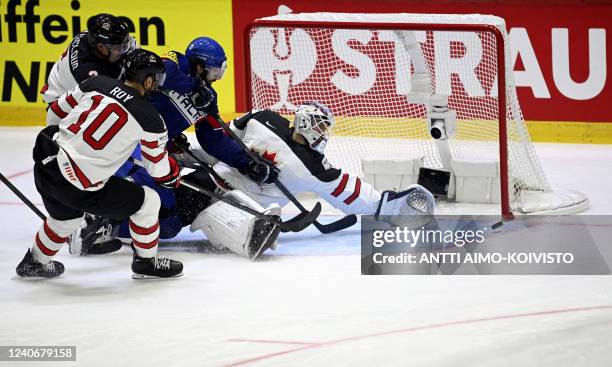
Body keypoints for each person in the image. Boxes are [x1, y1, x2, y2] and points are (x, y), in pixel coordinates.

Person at [16, 49, 183, 279]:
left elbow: (54, 114)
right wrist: (173, 173)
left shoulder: (96, 82)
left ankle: (33, 263)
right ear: (148, 80)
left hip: (47, 163)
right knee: (148, 201)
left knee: (66, 219)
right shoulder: (151, 119)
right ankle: (146, 263)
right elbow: (158, 169)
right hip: (77, 186)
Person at [203, 102, 435, 231]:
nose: (324, 133)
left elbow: (348, 189)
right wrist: (193, 155)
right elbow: (222, 138)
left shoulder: (314, 164)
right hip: (215, 182)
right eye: (321, 126)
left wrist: (385, 205)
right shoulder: (263, 118)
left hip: (244, 205)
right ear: (305, 122)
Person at [40, 13, 137, 255]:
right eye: (118, 47)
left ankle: (86, 215)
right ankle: (79, 226)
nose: (124, 49)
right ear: (100, 46)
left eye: (125, 42)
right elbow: (112, 97)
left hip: (80, 100)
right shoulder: (88, 70)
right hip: (64, 110)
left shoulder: (103, 43)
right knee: (83, 164)